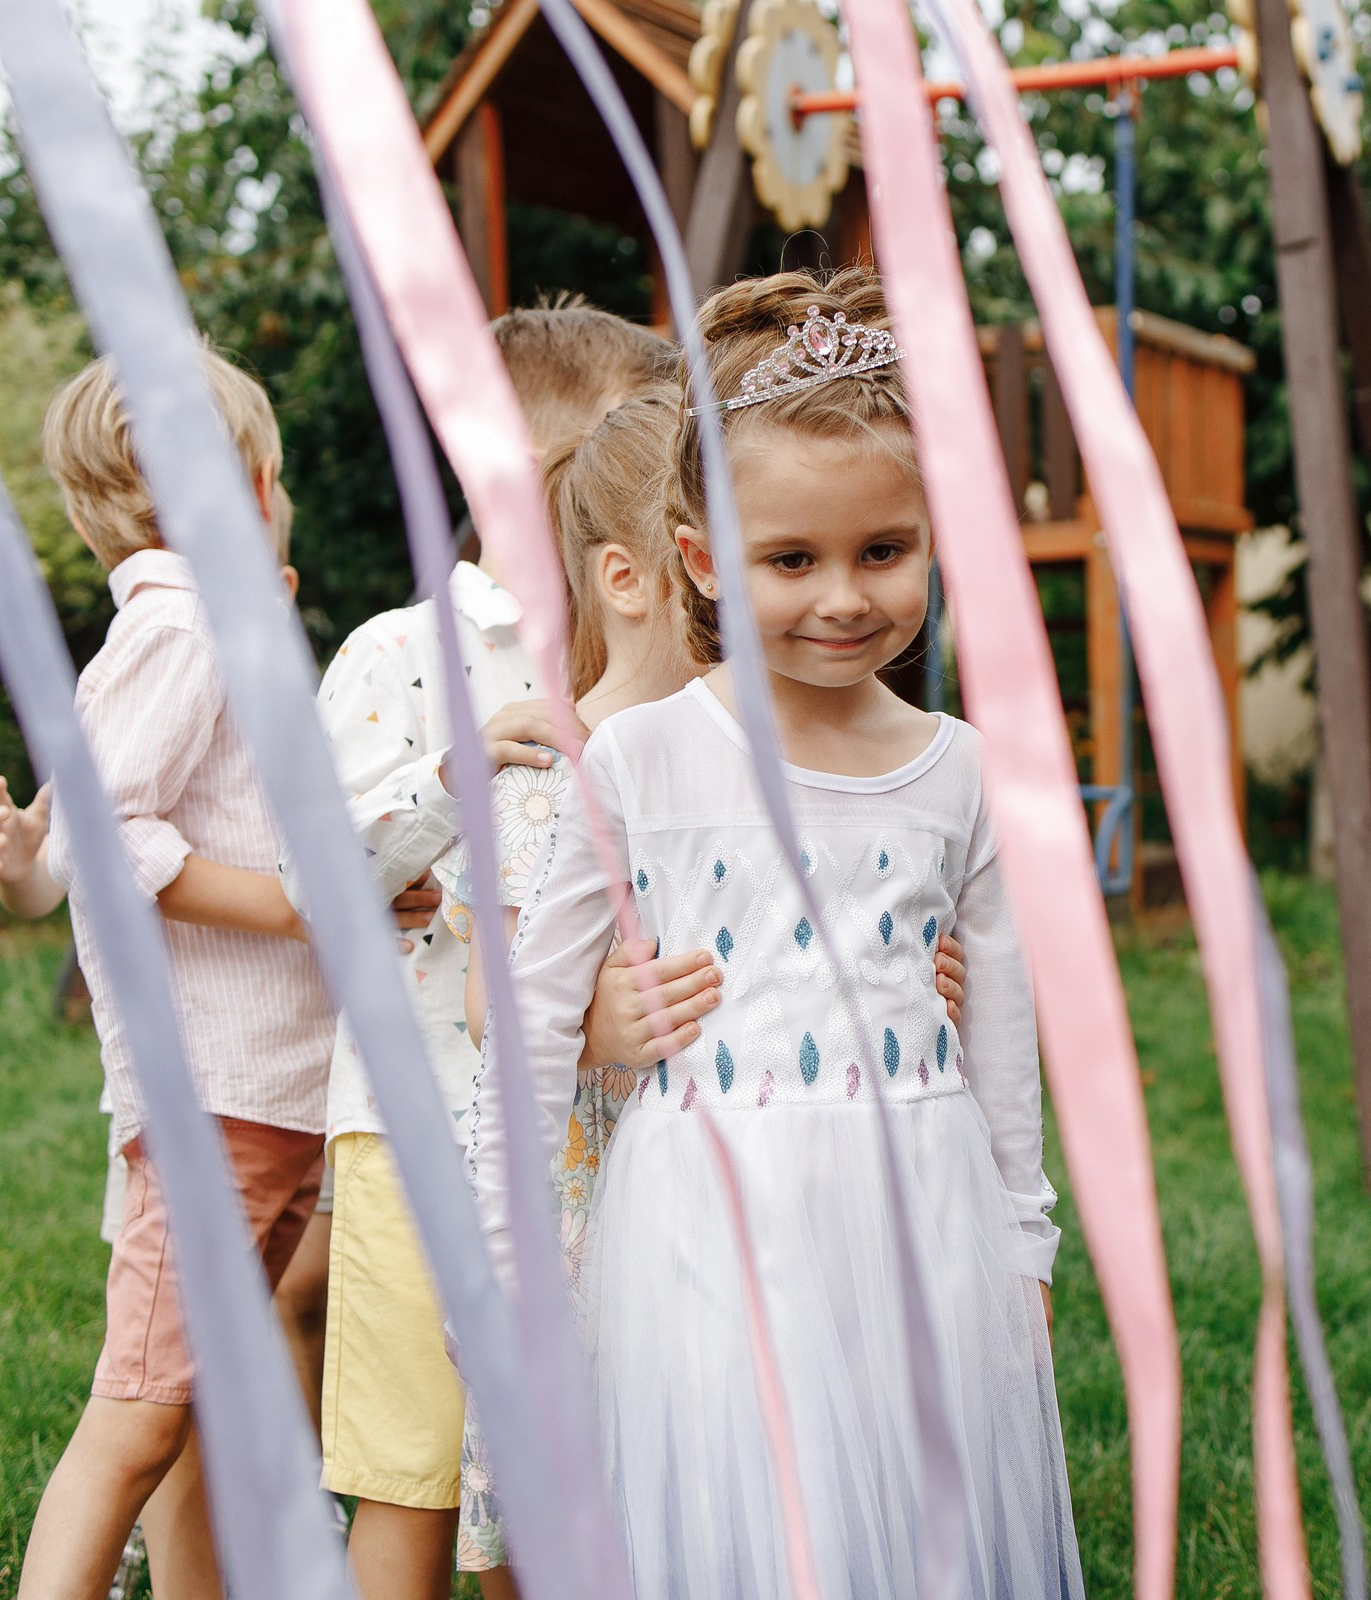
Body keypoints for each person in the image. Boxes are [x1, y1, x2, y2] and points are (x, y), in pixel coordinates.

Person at [475, 267, 1081, 1597]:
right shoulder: (638, 763)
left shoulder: (959, 769)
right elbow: (524, 1020)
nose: (843, 599)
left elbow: (1006, 1023)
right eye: (789, 561)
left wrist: (1020, 1242)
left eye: (883, 551)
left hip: (919, 1222)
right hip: (712, 1228)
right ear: (700, 559)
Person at [305, 305, 677, 1600]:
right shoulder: (399, 655)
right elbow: (315, 870)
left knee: (535, 1492)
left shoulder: (650, 661)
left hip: (582, 1144)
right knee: (410, 1479)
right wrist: (447, 786)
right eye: (620, 463)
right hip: (415, 1130)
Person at [9, 350, 333, 1600]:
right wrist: (297, 909)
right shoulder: (184, 625)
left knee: (199, 1401)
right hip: (223, 1095)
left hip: (258, 1094)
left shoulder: (197, 627)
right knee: (139, 1411)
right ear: (254, 489)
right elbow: (110, 834)